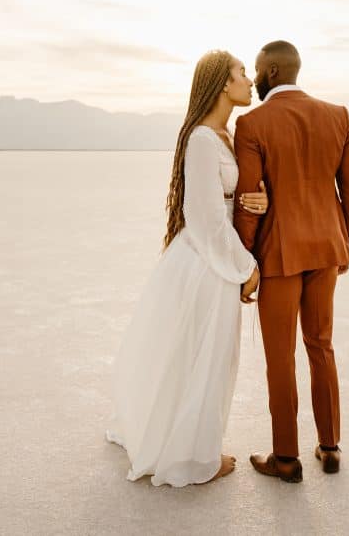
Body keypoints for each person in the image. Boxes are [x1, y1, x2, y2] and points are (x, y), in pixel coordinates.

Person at [105, 50, 268, 487]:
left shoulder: (224, 136)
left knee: (208, 358)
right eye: (241, 73)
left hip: (215, 260)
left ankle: (196, 446)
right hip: (204, 265)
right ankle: (194, 459)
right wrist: (246, 267)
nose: (249, 80)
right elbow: (205, 218)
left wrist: (260, 200)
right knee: (205, 359)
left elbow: (230, 201)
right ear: (221, 84)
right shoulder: (200, 139)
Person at [233, 40, 349, 483]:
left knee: (280, 356)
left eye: (256, 69)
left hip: (278, 254)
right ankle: (330, 447)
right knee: (321, 345)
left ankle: (285, 458)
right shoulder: (337, 115)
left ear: (271, 70)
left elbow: (249, 201)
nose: (254, 77)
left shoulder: (251, 124)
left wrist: (243, 260)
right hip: (326, 248)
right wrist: (346, 241)